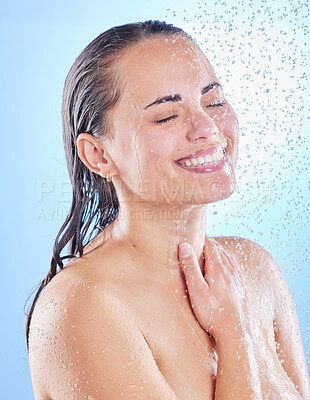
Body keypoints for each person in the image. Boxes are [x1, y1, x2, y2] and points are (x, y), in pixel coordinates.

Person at [26, 20, 309, 400]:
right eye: (167, 116)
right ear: (98, 154)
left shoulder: (253, 268)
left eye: (214, 101)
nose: (207, 127)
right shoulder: (81, 309)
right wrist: (234, 335)